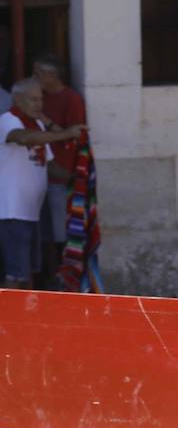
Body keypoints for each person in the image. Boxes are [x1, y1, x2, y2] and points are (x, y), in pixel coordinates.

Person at [2, 80, 85, 289]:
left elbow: (48, 165)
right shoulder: (8, 120)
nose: (39, 104)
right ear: (17, 99)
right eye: (33, 99)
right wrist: (65, 134)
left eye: (41, 99)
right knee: (15, 274)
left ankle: (24, 319)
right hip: (12, 212)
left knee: (29, 271)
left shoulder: (37, 124)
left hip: (32, 211)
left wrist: (77, 178)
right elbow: (22, 139)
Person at [32, 54, 86, 287]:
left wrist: (44, 121)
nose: (33, 78)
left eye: (38, 74)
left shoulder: (71, 99)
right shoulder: (37, 97)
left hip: (60, 175)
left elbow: (74, 136)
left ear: (51, 76)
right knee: (41, 230)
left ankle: (61, 278)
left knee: (59, 232)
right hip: (36, 172)